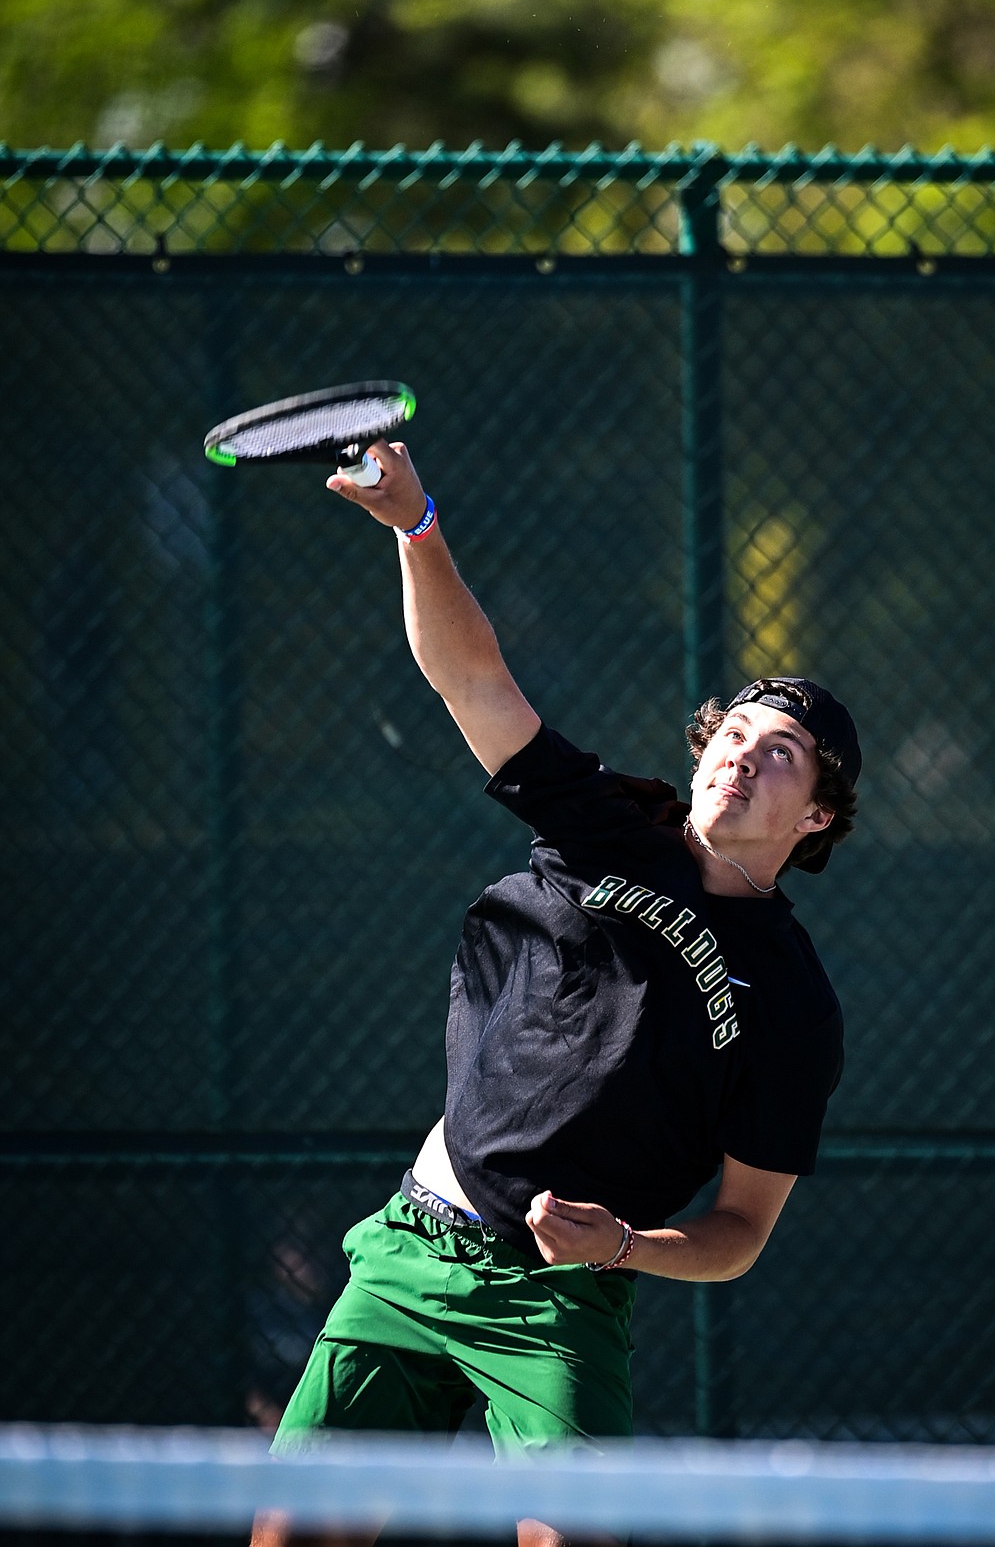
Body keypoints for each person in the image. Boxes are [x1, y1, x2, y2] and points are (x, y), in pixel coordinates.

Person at [255, 438, 860, 1547]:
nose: (741, 755)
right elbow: (472, 675)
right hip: (412, 1247)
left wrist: (619, 1249)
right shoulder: (605, 826)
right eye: (732, 732)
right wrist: (414, 526)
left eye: (781, 754)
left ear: (819, 815)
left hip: (559, 1299)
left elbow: (738, 1231)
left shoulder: (795, 1003)